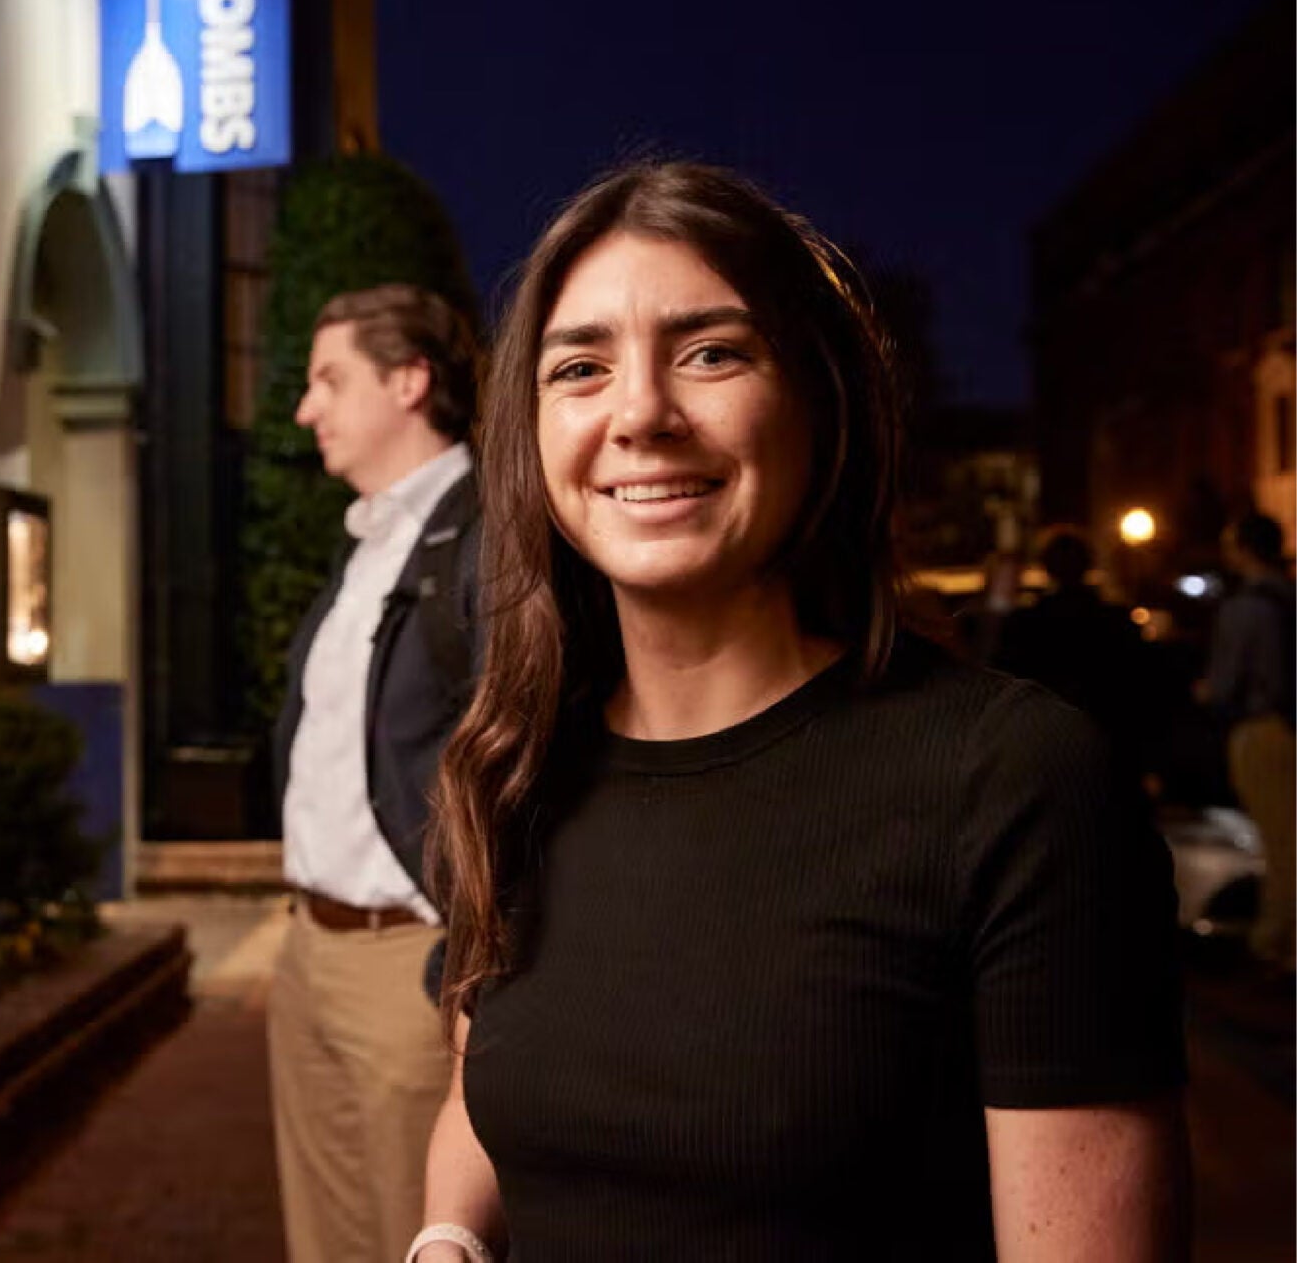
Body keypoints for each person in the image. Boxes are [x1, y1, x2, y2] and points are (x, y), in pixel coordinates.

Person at [413, 162, 1190, 1263]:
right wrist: (444, 1238)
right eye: (579, 367)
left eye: (711, 353)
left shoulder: (1009, 778)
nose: (639, 411)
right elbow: (478, 1099)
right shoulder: (514, 768)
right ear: (530, 438)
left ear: (816, 401)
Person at [269, 282, 483, 1263]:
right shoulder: (367, 540)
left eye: (329, 379)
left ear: (408, 379)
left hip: (408, 963)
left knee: (421, 1234)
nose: (307, 407)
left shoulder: (486, 537)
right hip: (307, 950)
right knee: (326, 1239)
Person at [1200, 510, 1295, 971]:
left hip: (1263, 728)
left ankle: (1276, 942)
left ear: (1242, 549)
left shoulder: (1245, 608)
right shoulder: (1289, 597)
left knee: (1281, 841)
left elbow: (1224, 684)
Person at [992, 524, 1154, 763]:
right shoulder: (1115, 620)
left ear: (1046, 567)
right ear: (1088, 564)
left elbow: (1006, 681)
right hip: (1111, 744)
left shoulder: (1027, 624)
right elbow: (1141, 683)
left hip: (1046, 745)